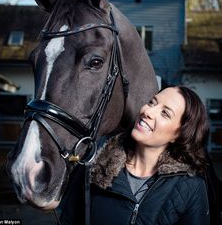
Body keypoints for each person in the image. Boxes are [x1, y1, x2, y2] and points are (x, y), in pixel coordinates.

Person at [60, 86, 210, 225]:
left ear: (180, 135)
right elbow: (68, 220)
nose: (147, 112)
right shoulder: (95, 163)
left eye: (165, 113)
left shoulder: (191, 187)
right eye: (152, 102)